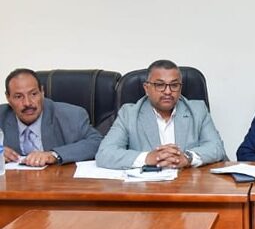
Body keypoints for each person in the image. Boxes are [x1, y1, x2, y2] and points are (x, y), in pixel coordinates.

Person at [96, 59, 226, 169]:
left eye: (174, 85)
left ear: (180, 88)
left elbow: (216, 147)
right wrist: (148, 158)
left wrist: (187, 158)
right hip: (146, 186)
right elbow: (104, 153)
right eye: (159, 85)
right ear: (146, 88)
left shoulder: (198, 110)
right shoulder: (129, 114)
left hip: (188, 183)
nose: (168, 91)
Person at [0, 68, 102, 166]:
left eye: (33, 94)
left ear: (42, 92)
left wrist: (54, 155)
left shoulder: (71, 115)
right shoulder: (2, 115)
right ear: (8, 98)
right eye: (18, 96)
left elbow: (96, 142)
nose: (27, 103)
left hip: (58, 177)